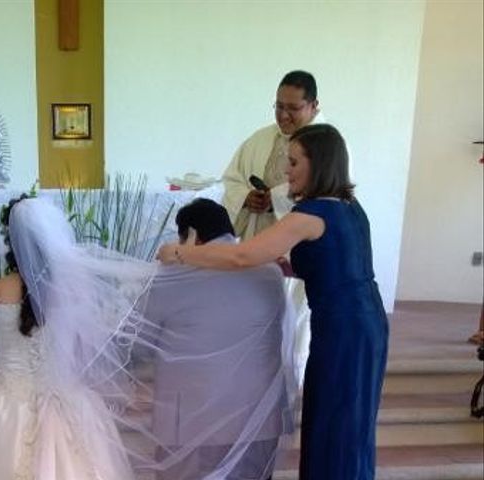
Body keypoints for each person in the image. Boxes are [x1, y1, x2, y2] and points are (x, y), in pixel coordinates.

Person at [158, 124, 389, 480]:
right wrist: (291, 267)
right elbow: (344, 265)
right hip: (365, 322)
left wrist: (181, 253)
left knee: (334, 417)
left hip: (344, 329)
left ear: (319, 165)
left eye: (294, 162)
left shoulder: (309, 215)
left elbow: (240, 257)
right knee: (350, 418)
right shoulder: (349, 206)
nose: (286, 171)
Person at [0, 196, 156, 480]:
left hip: (6, 407)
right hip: (66, 400)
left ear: (13, 245)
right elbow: (83, 346)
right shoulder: (75, 293)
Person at [139, 198, 297, 480]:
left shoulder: (173, 278)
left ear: (191, 236)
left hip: (189, 422)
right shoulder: (270, 273)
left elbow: (143, 342)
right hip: (256, 419)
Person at [222, 70, 322, 240]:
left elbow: (328, 196)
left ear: (313, 106)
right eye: (280, 106)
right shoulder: (261, 138)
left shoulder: (329, 145)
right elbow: (232, 180)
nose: (283, 115)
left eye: (293, 108)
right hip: (258, 237)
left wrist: (276, 199)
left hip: (299, 245)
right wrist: (245, 198)